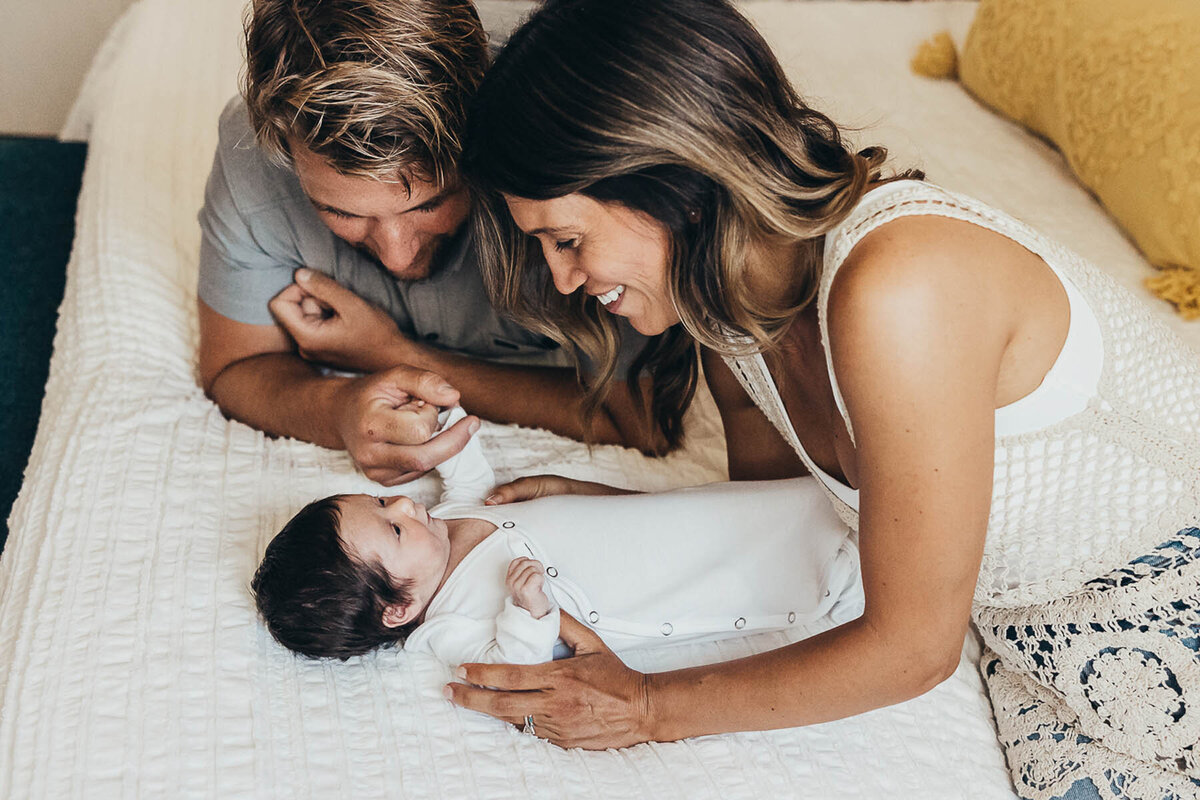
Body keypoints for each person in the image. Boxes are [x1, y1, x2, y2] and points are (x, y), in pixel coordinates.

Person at [448, 0, 1200, 796]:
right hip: (1034, 634)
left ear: (677, 184)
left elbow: (913, 648)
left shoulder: (899, 287)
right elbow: (788, 519)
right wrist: (620, 516)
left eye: (567, 241)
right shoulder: (728, 321)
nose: (564, 279)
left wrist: (644, 705)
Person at [197, 0, 661, 489]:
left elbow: (641, 418)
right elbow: (234, 367)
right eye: (341, 213)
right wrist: (339, 411)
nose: (398, 254)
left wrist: (391, 353)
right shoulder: (252, 153)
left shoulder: (562, 133)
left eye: (429, 203)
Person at [251, 408, 862, 666]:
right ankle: (857, 567)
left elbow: (467, 468)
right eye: (392, 524)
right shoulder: (445, 627)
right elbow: (510, 661)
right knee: (764, 565)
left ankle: (856, 508)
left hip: (660, 525)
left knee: (757, 511)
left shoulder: (454, 516)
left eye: (385, 498)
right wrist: (531, 613)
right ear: (398, 608)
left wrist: (440, 420)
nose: (408, 503)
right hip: (643, 585)